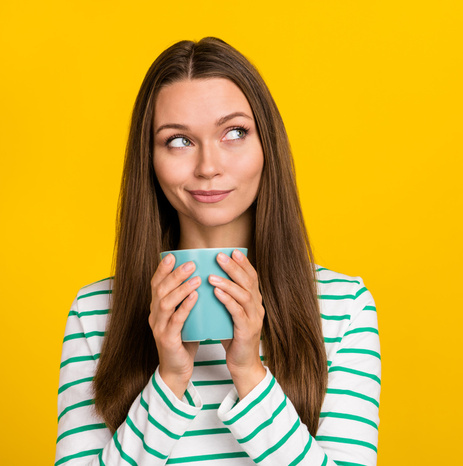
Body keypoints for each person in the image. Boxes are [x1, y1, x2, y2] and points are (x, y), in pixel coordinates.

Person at [55, 37, 380, 466]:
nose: (208, 166)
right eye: (178, 141)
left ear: (267, 146)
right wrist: (170, 380)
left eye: (234, 133)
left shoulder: (343, 308)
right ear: (149, 159)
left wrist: (249, 373)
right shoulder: (96, 312)